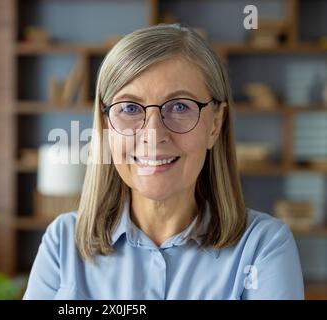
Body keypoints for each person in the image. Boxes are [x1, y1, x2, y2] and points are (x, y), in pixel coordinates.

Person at [24, 24, 304, 300]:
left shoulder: (263, 246)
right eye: (130, 108)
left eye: (180, 106)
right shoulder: (63, 242)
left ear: (215, 124)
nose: (153, 135)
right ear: (106, 126)